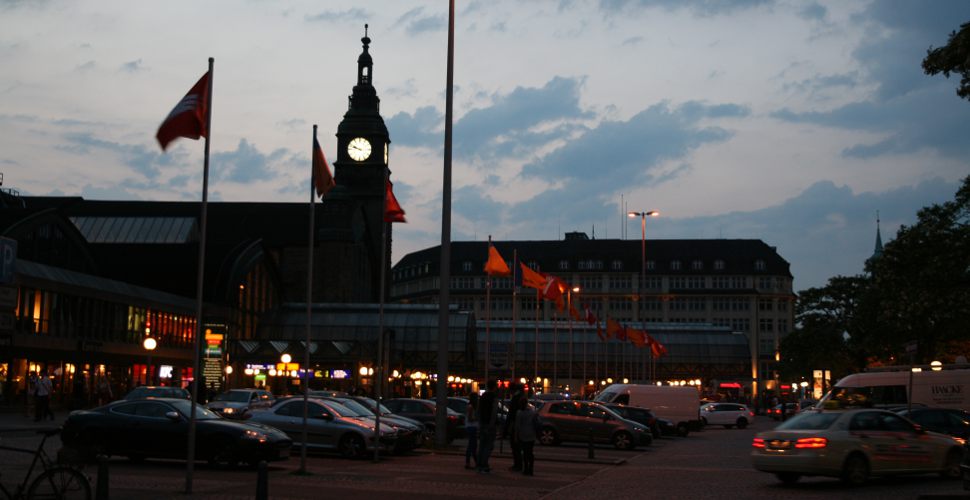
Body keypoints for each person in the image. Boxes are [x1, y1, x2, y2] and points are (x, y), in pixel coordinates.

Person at [477, 380, 499, 474]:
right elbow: (494, 412)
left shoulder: (482, 397)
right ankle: (484, 465)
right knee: (488, 446)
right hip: (489, 424)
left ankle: (479, 464)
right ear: (494, 387)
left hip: (482, 423)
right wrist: (492, 424)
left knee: (482, 444)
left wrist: (479, 422)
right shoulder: (493, 397)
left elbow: (478, 410)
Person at [504, 383, 526, 471]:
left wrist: (506, 427)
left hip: (515, 424)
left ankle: (518, 464)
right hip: (522, 424)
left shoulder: (515, 398)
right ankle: (520, 464)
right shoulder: (522, 397)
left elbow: (511, 414)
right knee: (519, 446)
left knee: (515, 445)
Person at [513, 397, 538, 476]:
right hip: (531, 434)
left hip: (523, 434)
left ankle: (526, 468)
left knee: (524, 452)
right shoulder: (532, 412)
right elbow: (535, 422)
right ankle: (531, 468)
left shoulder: (519, 413)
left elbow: (517, 426)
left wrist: (516, 436)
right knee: (530, 452)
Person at [464, 392, 479, 470]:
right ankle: (469, 462)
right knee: (472, 445)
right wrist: (477, 419)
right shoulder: (471, 407)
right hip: (471, 427)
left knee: (473, 445)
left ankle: (476, 462)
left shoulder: (471, 406)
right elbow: (470, 418)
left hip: (472, 427)